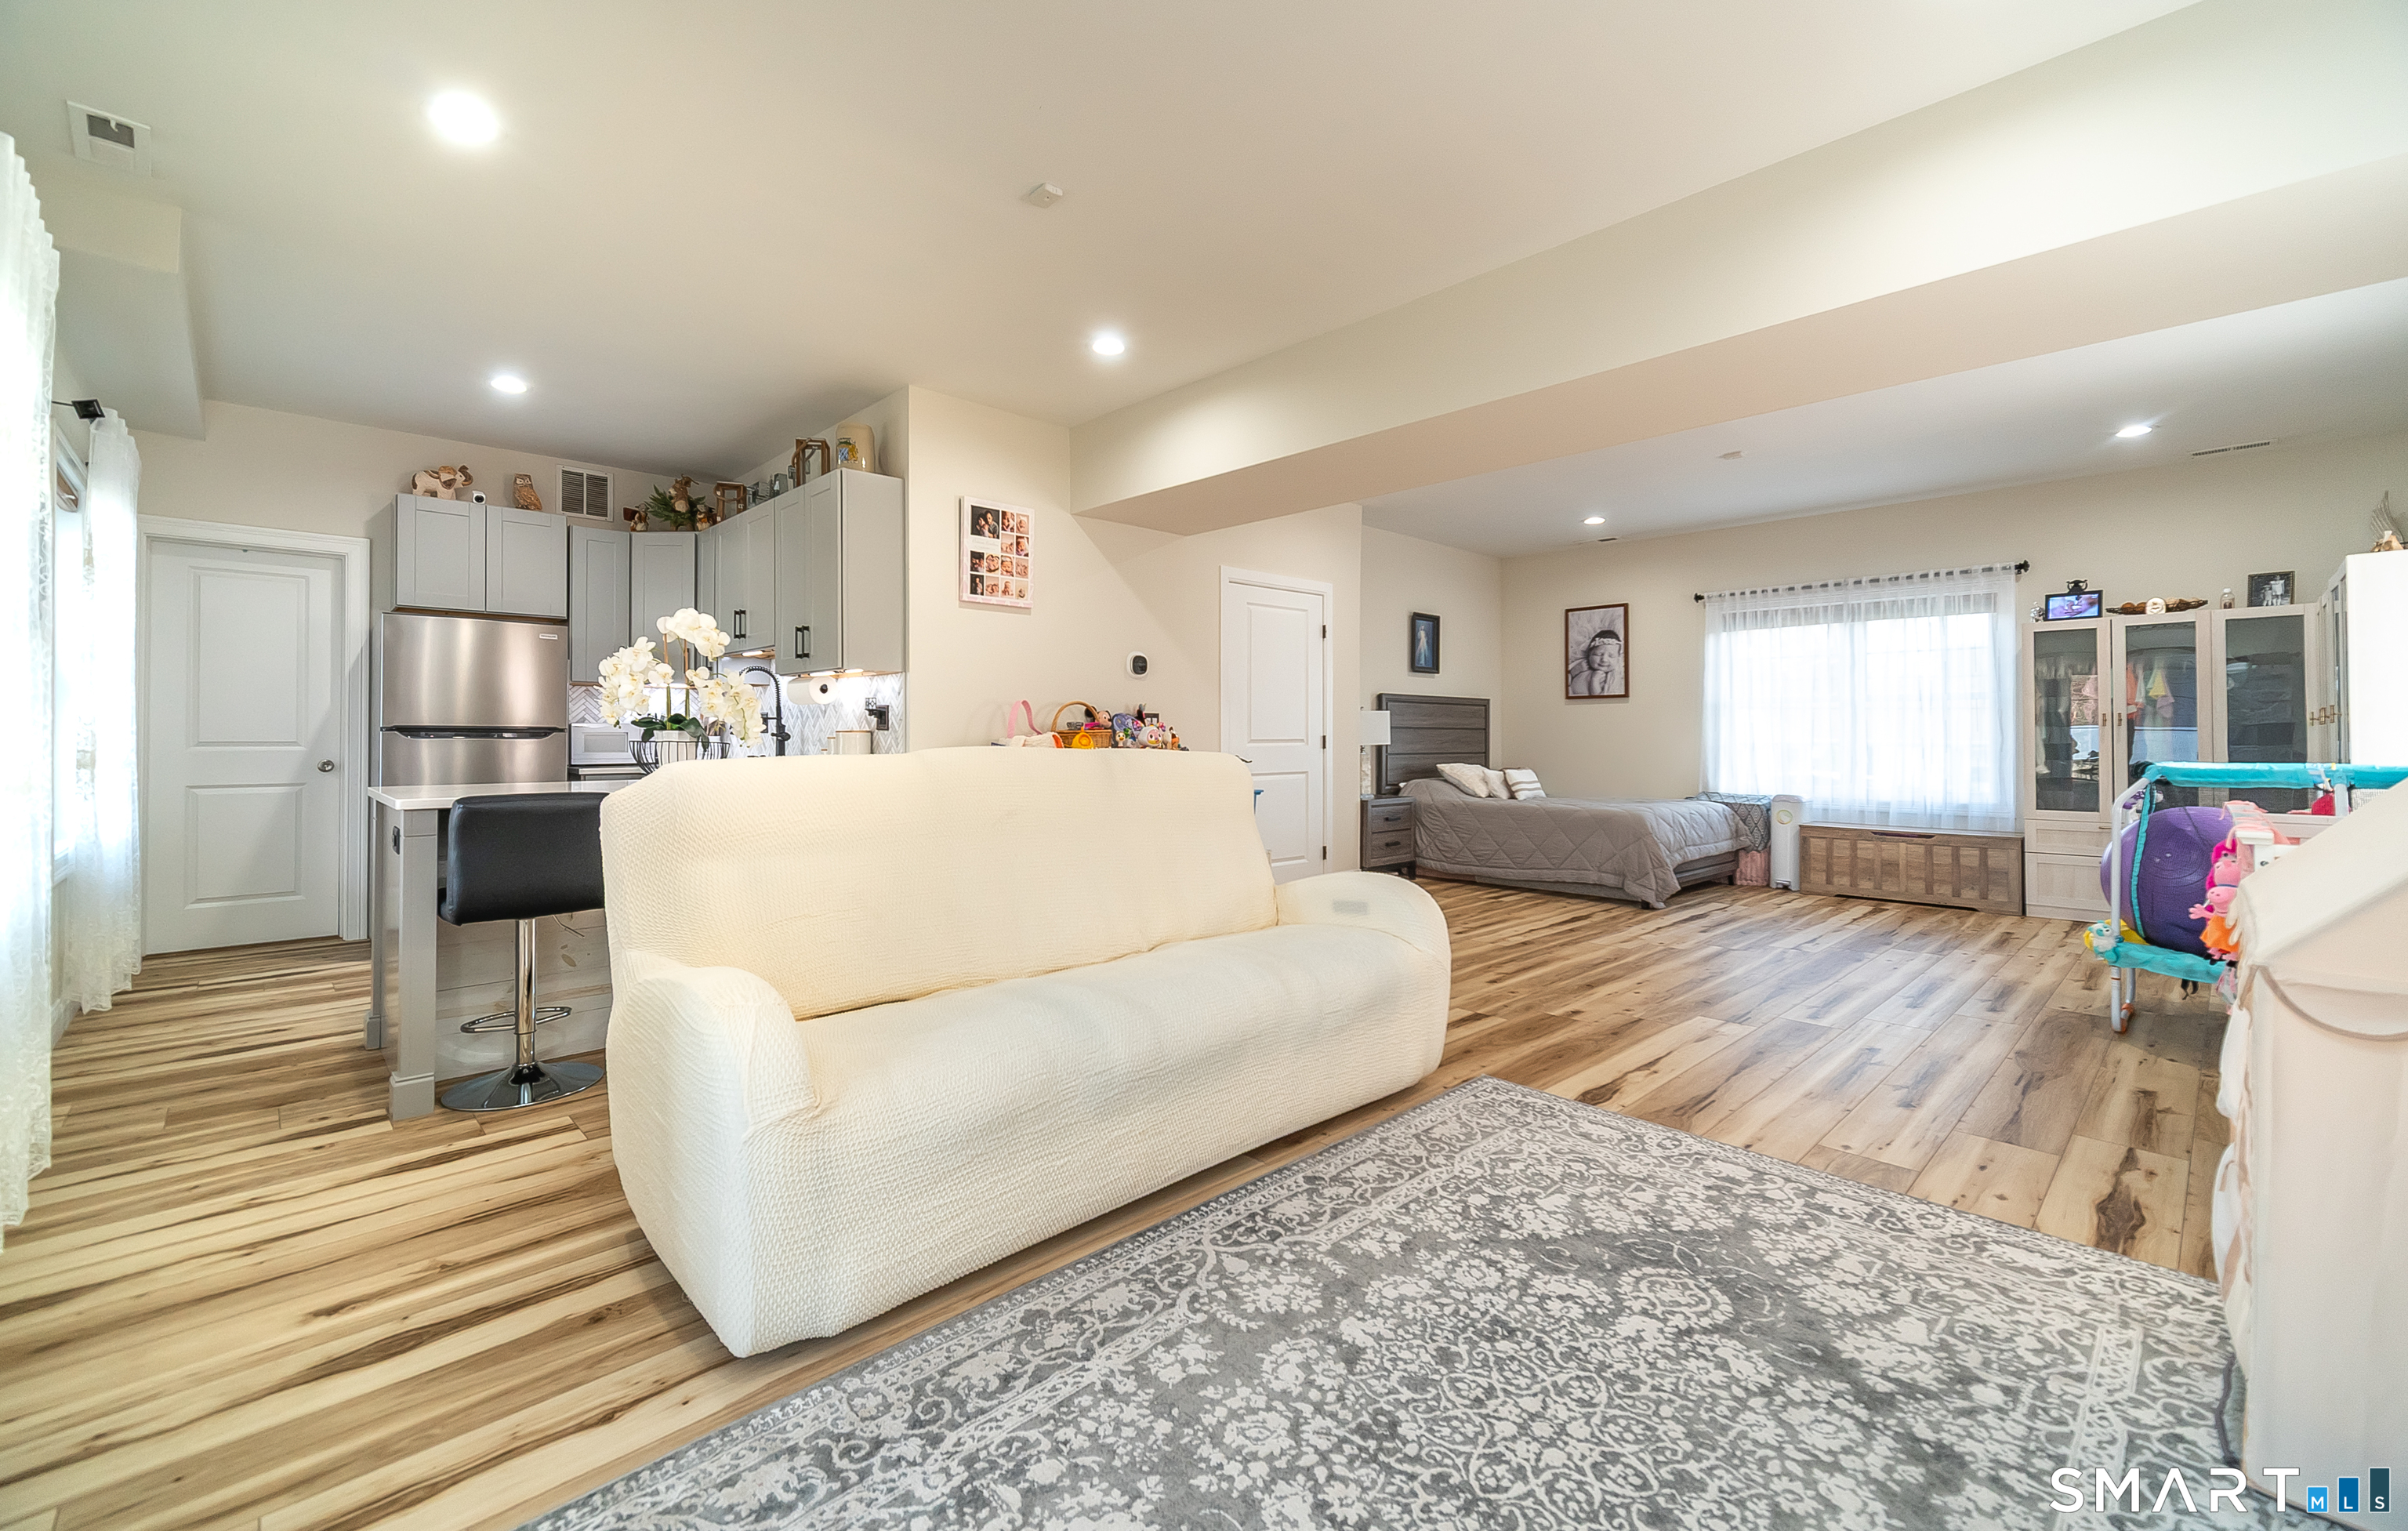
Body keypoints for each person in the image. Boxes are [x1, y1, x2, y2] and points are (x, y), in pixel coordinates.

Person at [1568, 626, 1624, 696]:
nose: (1604, 659)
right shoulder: (1582, 665)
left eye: (1611, 656)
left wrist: (1595, 680)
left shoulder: (1612, 678)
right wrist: (1574, 671)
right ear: (1589, 655)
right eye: (1598, 654)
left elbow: (1600, 697)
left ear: (1618, 658)